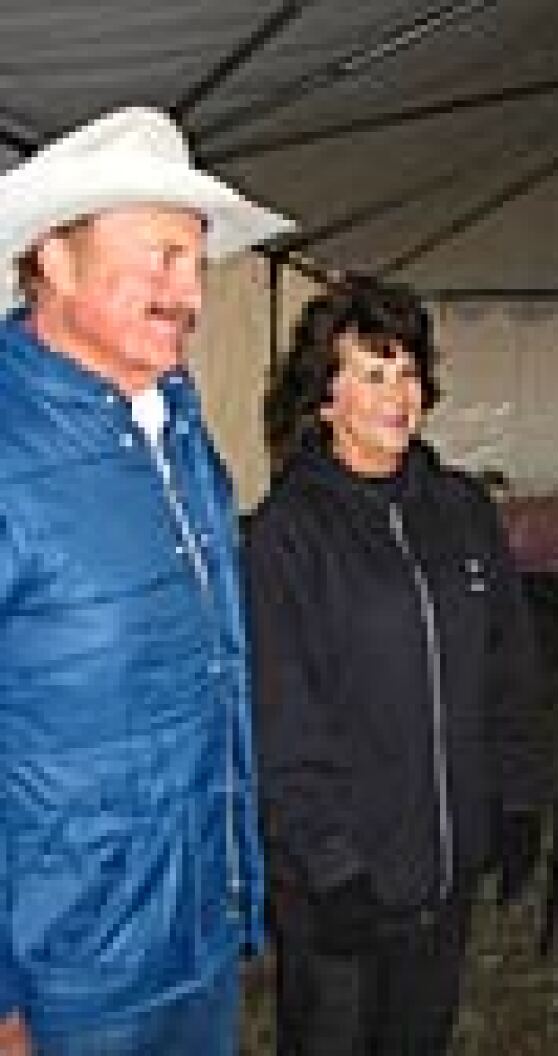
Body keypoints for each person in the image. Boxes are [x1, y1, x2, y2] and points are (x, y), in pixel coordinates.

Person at [0, 107, 292, 1055]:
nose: (187, 289)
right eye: (159, 255)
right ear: (55, 259)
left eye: (195, 261)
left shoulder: (174, 422)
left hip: (195, 929)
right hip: (66, 977)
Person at [248, 277, 547, 1056]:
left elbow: (508, 664)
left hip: (443, 872)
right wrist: (330, 864)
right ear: (324, 398)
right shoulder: (290, 533)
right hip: (341, 888)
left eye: (408, 371)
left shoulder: (462, 510)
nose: (398, 395)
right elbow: (280, 717)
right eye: (372, 374)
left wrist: (515, 800)